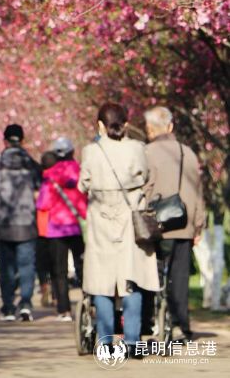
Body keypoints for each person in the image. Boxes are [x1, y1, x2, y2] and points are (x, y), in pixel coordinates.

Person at [79, 103, 159, 358]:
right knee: (131, 278)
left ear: (100, 125)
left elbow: (83, 184)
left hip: (101, 220)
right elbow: (146, 176)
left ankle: (105, 342)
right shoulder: (137, 148)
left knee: (101, 281)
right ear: (125, 124)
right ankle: (133, 342)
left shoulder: (91, 151)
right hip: (130, 219)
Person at [144, 106, 205, 343]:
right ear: (170, 126)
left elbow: (144, 188)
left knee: (152, 274)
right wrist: (198, 226)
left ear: (150, 129)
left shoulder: (146, 153)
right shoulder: (187, 153)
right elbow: (198, 192)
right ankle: (181, 326)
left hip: (154, 225)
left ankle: (152, 321)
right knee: (180, 277)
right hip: (183, 223)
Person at [0, 124, 41, 321]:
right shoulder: (31, 165)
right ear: (22, 141)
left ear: (5, 141)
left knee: (6, 266)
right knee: (27, 266)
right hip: (27, 223)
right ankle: (26, 304)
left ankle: (8, 307)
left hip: (3, 224)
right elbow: (41, 190)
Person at [37, 137, 88, 321]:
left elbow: (43, 203)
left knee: (59, 271)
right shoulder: (81, 171)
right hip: (78, 226)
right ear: (72, 152)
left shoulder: (50, 175)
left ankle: (64, 310)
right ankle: (90, 303)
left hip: (57, 228)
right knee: (83, 267)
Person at [36, 151, 57, 308]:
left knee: (42, 263)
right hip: (57, 226)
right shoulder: (61, 177)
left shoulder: (39, 179)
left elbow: (41, 203)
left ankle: (44, 286)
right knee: (57, 263)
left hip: (41, 226)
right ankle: (57, 293)